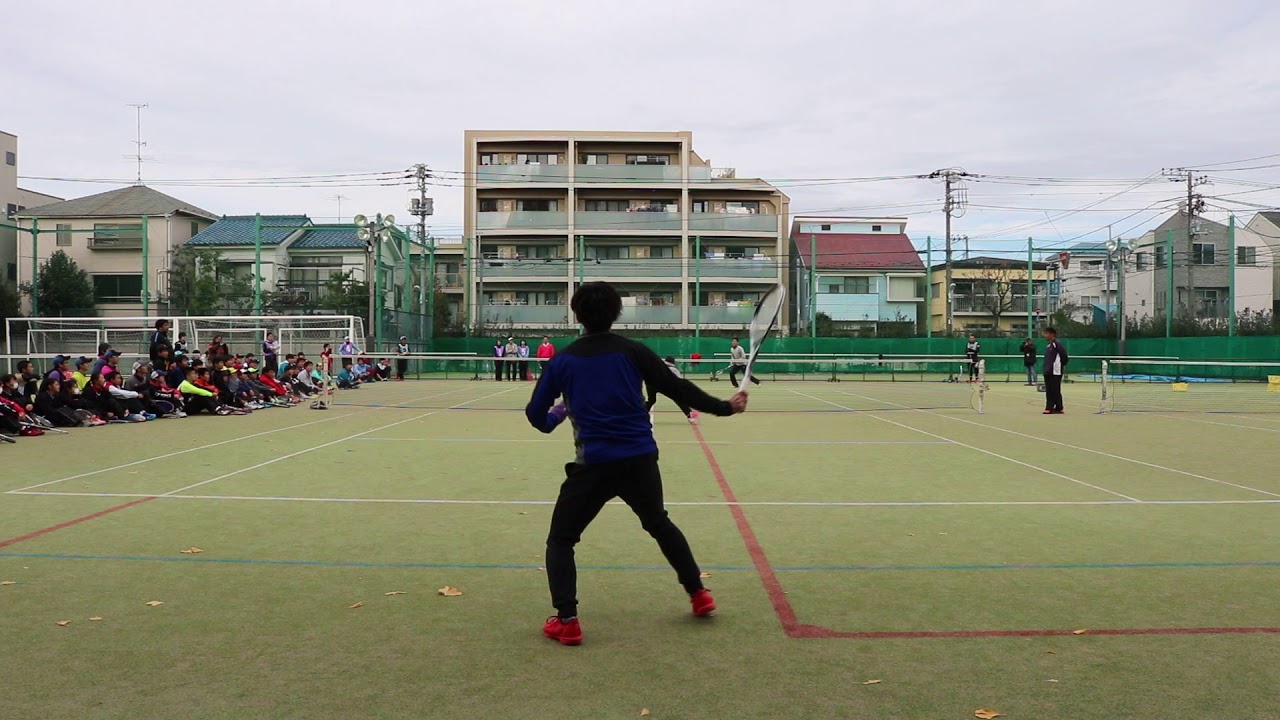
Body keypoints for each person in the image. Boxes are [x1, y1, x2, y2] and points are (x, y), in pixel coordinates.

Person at [525, 281, 749, 646]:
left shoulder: (563, 360)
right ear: (617, 313)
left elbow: (536, 416)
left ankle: (567, 620)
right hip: (640, 459)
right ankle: (698, 594)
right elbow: (680, 389)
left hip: (594, 465)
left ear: (577, 315)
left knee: (561, 540)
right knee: (659, 523)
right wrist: (725, 407)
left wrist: (558, 413)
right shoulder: (635, 352)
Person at [646, 356, 698, 425]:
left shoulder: (657, 365)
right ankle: (690, 416)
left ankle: (639, 415)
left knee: (651, 400)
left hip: (650, 384)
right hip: (662, 385)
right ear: (673, 362)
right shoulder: (674, 369)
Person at [1042, 326, 1068, 415]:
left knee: (1053, 390)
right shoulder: (1048, 345)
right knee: (1052, 389)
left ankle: (1049, 408)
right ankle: (1059, 407)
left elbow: (1064, 356)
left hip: (1055, 372)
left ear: (1052, 334)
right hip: (1048, 371)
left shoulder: (1057, 344)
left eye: (1046, 333)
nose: (1044, 335)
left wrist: (1060, 366)